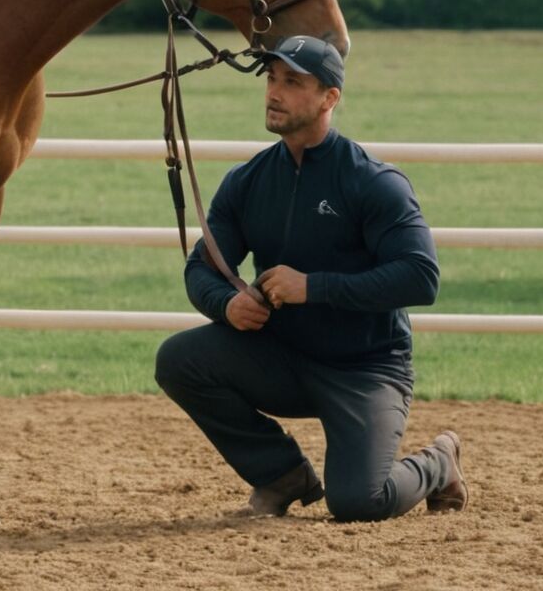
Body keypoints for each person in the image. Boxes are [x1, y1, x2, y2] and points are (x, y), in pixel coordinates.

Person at [155, 36, 467, 521]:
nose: (274, 92)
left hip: (365, 369)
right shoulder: (247, 181)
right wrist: (226, 304)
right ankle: (281, 475)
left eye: (293, 82)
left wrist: (313, 286)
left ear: (329, 97)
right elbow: (202, 268)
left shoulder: (373, 182)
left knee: (359, 502)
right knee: (179, 359)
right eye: (271, 78)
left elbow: (421, 277)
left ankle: (439, 462)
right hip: (281, 358)